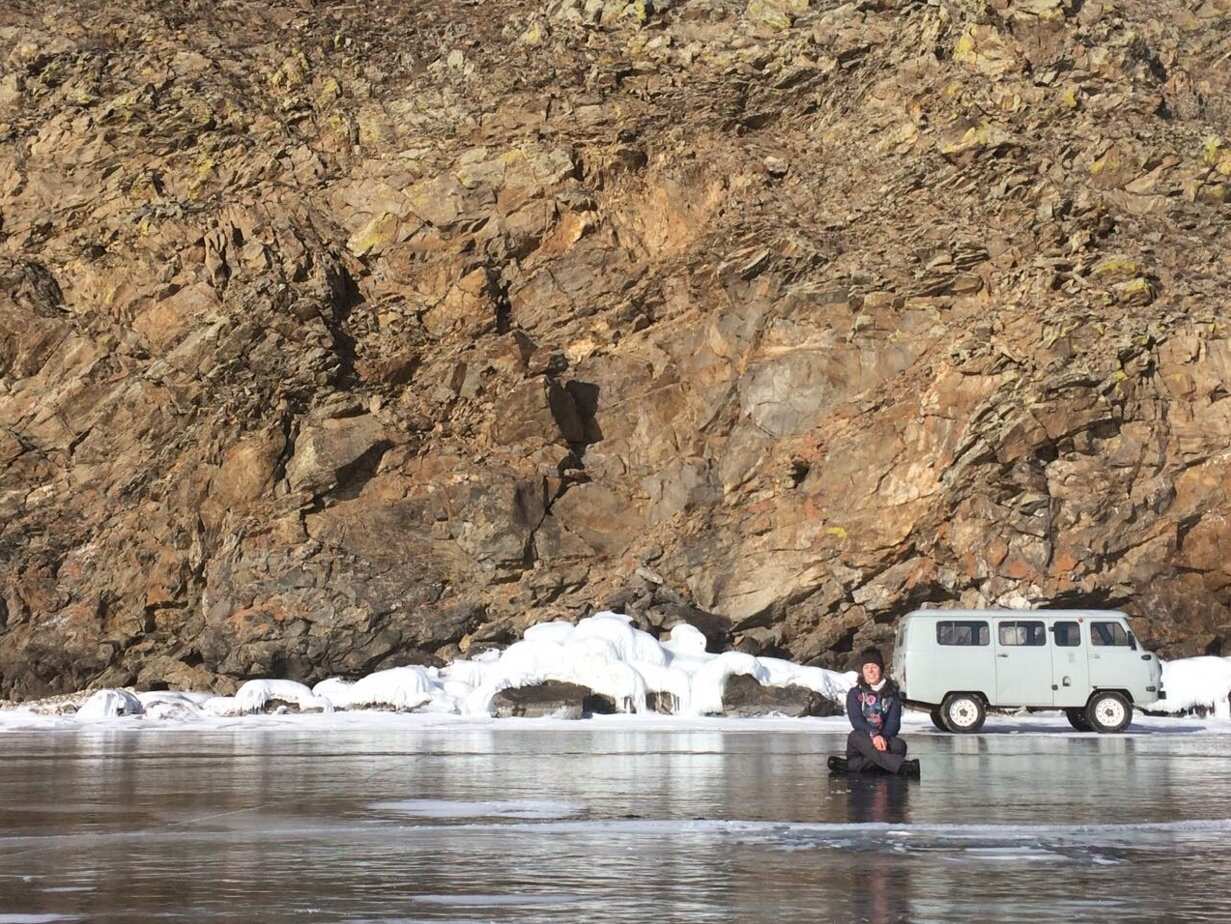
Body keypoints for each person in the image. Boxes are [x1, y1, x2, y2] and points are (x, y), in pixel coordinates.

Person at [830, 648, 920, 777]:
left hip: (884, 741)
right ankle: (901, 766)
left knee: (899, 746)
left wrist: (882, 738)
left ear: (881, 669)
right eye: (866, 667)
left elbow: (894, 724)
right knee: (855, 736)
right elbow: (857, 721)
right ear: (862, 671)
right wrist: (874, 735)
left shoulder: (892, 695)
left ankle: (853, 766)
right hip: (862, 742)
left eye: (874, 667)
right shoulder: (854, 694)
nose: (870, 671)